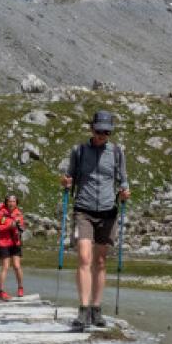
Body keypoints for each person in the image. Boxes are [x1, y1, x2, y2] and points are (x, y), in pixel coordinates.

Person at [59, 110, 130, 331]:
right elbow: (70, 176)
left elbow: (123, 181)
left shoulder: (117, 153)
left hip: (108, 211)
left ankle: (96, 310)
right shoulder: (79, 151)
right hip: (84, 209)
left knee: (100, 262)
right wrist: (66, 183)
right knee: (84, 257)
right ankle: (83, 309)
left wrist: (124, 193)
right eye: (99, 131)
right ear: (92, 128)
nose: (102, 135)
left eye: (106, 131)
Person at [0, 194, 27, 301]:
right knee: (5, 266)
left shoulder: (19, 213)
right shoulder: (1, 213)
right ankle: (1, 291)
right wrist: (9, 226)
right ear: (6, 202)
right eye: (10, 201)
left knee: (17, 266)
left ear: (16, 203)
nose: (12, 203)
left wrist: (21, 227)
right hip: (3, 243)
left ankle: (20, 288)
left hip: (15, 242)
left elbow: (22, 226)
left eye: (14, 201)